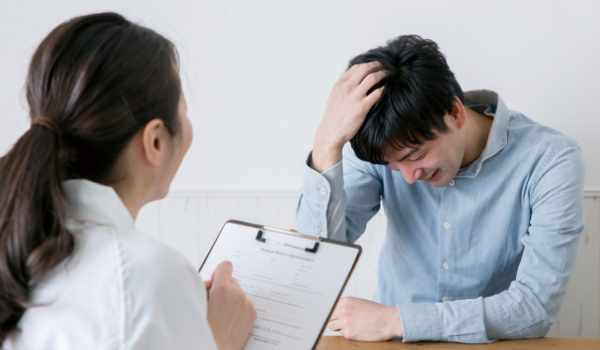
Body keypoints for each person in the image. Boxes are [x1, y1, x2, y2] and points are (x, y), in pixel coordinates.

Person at [296, 35, 584, 343]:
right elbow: (318, 263)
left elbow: (534, 308)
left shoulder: (551, 160)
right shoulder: (381, 146)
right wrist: (326, 144)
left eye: (415, 156)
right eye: (393, 166)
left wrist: (398, 321)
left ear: (455, 113)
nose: (407, 177)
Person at [0, 13, 256, 349]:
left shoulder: (19, 251)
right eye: (184, 110)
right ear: (155, 142)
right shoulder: (147, 277)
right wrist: (218, 339)